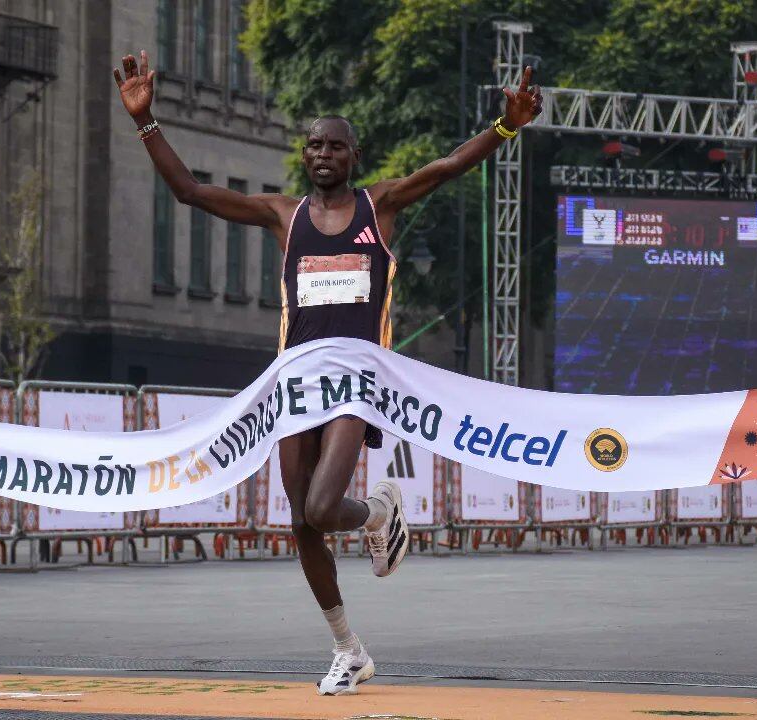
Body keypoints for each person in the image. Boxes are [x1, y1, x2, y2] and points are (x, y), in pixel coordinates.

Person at [114, 50, 542, 695]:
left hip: (354, 386)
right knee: (300, 521)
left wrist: (506, 127)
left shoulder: (381, 207)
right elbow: (191, 192)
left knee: (320, 506)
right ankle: (349, 646)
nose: (322, 154)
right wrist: (147, 122)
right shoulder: (283, 216)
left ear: (353, 157)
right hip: (294, 384)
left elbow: (450, 167)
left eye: (335, 146)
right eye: (313, 145)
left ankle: (372, 512)